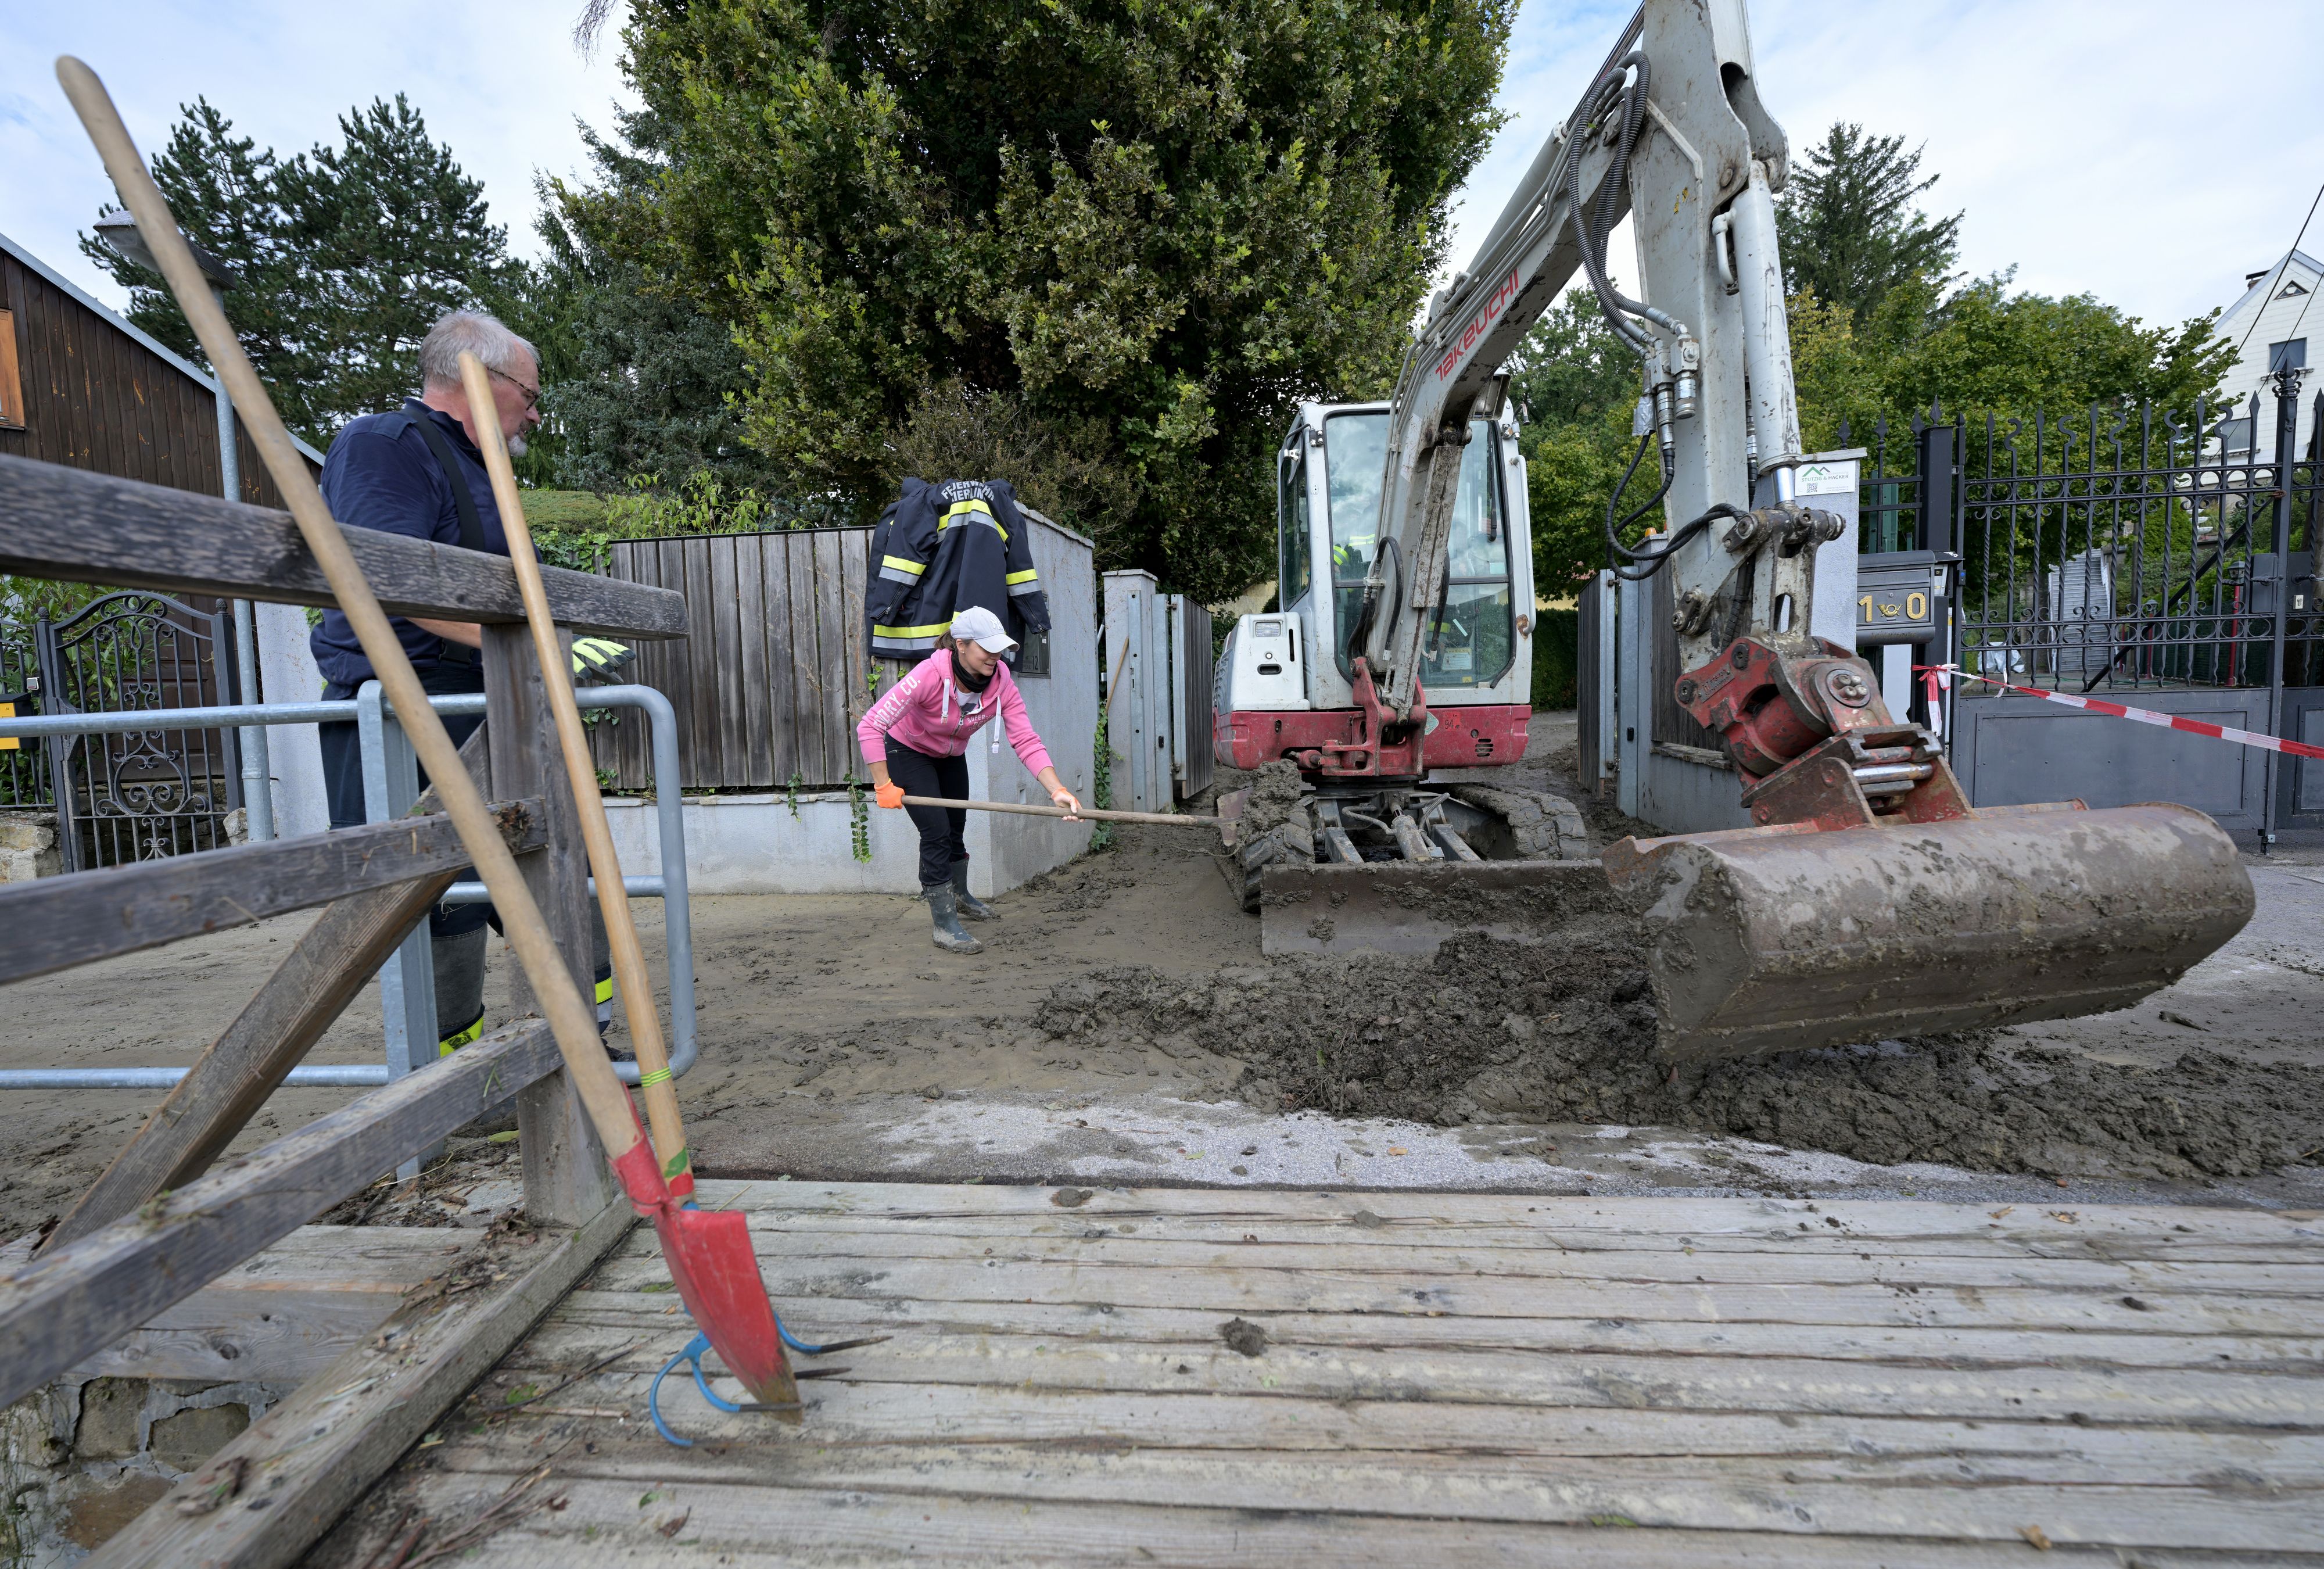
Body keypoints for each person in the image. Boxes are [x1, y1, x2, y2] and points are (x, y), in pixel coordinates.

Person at [310, 309, 615, 1054]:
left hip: (489, 701)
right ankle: (458, 1077)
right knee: (440, 899)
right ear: (475, 376)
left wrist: (547, 646)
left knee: (557, 874)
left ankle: (584, 1047)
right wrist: (530, 647)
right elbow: (381, 579)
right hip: (409, 707)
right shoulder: (386, 447)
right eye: (529, 392)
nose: (536, 413)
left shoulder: (481, 468)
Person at [858, 606, 1081, 954]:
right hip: (909, 751)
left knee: (956, 828)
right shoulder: (929, 675)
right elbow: (870, 725)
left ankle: (959, 895)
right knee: (936, 832)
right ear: (961, 645)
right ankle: (944, 923)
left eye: (999, 648)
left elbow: (1025, 739)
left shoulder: (1002, 680)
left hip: (950, 756)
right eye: (987, 648)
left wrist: (1058, 790)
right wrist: (883, 784)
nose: (996, 656)